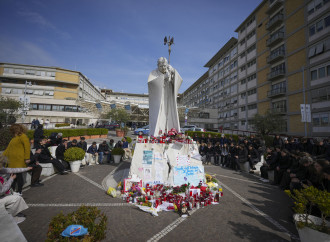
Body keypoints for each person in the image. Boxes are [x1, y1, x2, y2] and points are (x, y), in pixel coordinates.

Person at [148, 57, 183, 136]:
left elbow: (179, 80)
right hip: (160, 98)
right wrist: (163, 78)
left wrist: (173, 72)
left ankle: (172, 132)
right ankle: (157, 133)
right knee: (160, 115)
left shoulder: (169, 71)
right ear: (158, 65)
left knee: (171, 112)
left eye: (165, 66)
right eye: (161, 66)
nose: (163, 68)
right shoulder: (154, 73)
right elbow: (151, 83)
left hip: (169, 96)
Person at [0, 155, 31, 224]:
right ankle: (7, 217)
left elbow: (13, 170)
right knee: (17, 198)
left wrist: (26, 169)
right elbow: (1, 191)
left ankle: (12, 214)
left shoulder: (1, 169)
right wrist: (11, 179)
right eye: (3, 164)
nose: (4, 167)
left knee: (14, 194)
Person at [3, 124, 31, 196]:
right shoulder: (14, 138)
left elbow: (27, 147)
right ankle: (12, 190)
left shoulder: (23, 136)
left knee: (18, 176)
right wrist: (1, 157)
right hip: (12, 160)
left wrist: (27, 158)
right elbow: (8, 149)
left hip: (19, 160)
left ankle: (19, 191)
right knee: (13, 175)